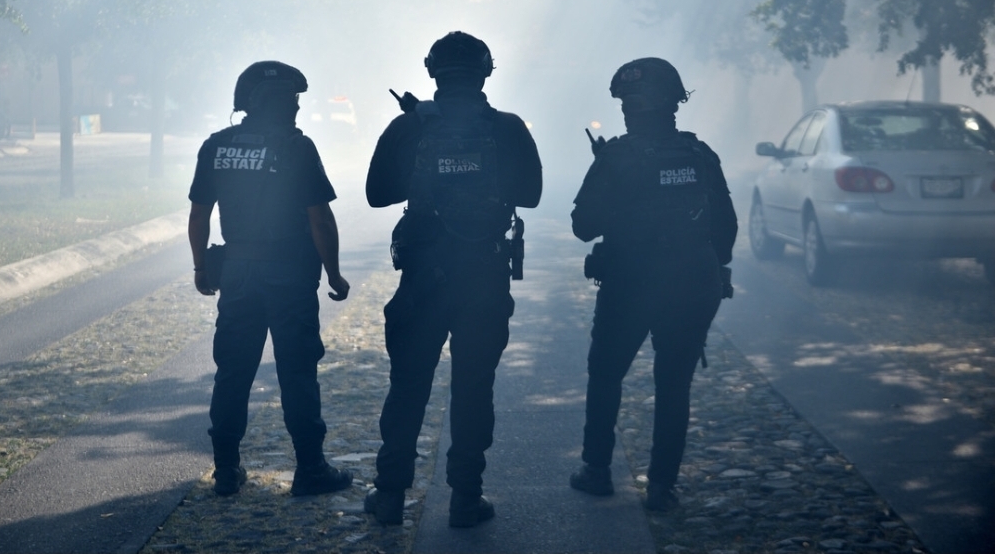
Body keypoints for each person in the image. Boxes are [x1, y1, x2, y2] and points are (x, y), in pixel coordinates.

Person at [363, 31, 542, 528]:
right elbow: (531, 195)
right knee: (473, 388)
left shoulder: (409, 127)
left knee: (408, 386)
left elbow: (377, 194)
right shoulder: (507, 128)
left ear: (432, 72)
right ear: (486, 72)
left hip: (423, 278)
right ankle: (466, 498)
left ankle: (390, 495)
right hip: (484, 276)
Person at [568, 58, 737, 512]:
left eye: (630, 102)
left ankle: (596, 470)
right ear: (674, 103)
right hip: (693, 285)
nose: (627, 110)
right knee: (674, 384)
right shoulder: (699, 155)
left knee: (606, 375)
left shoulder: (616, 157)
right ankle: (662, 487)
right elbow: (725, 227)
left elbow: (583, 226)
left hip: (629, 285)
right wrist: (714, 267)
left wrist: (610, 182)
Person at [187, 60, 353, 498]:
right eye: (291, 99)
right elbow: (320, 219)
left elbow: (199, 215)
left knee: (233, 371)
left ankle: (226, 470)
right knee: (297, 372)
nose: (297, 107)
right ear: (273, 102)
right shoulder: (297, 148)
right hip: (290, 277)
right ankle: (311, 469)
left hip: (238, 275)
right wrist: (334, 273)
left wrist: (201, 268)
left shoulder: (217, 146)